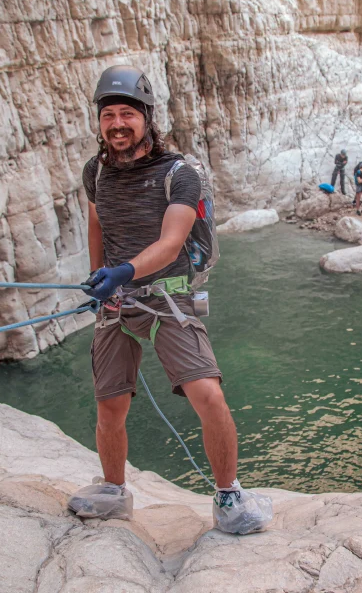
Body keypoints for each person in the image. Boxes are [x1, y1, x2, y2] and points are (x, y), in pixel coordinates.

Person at [79, 65, 270, 533]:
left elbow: (170, 242)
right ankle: (112, 491)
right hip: (118, 300)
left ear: (146, 117)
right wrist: (97, 277)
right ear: (99, 121)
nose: (117, 123)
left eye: (127, 113)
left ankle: (229, 496)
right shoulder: (95, 171)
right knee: (110, 405)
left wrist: (122, 271)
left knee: (209, 394)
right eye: (109, 115)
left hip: (169, 297)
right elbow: (97, 224)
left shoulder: (179, 173)